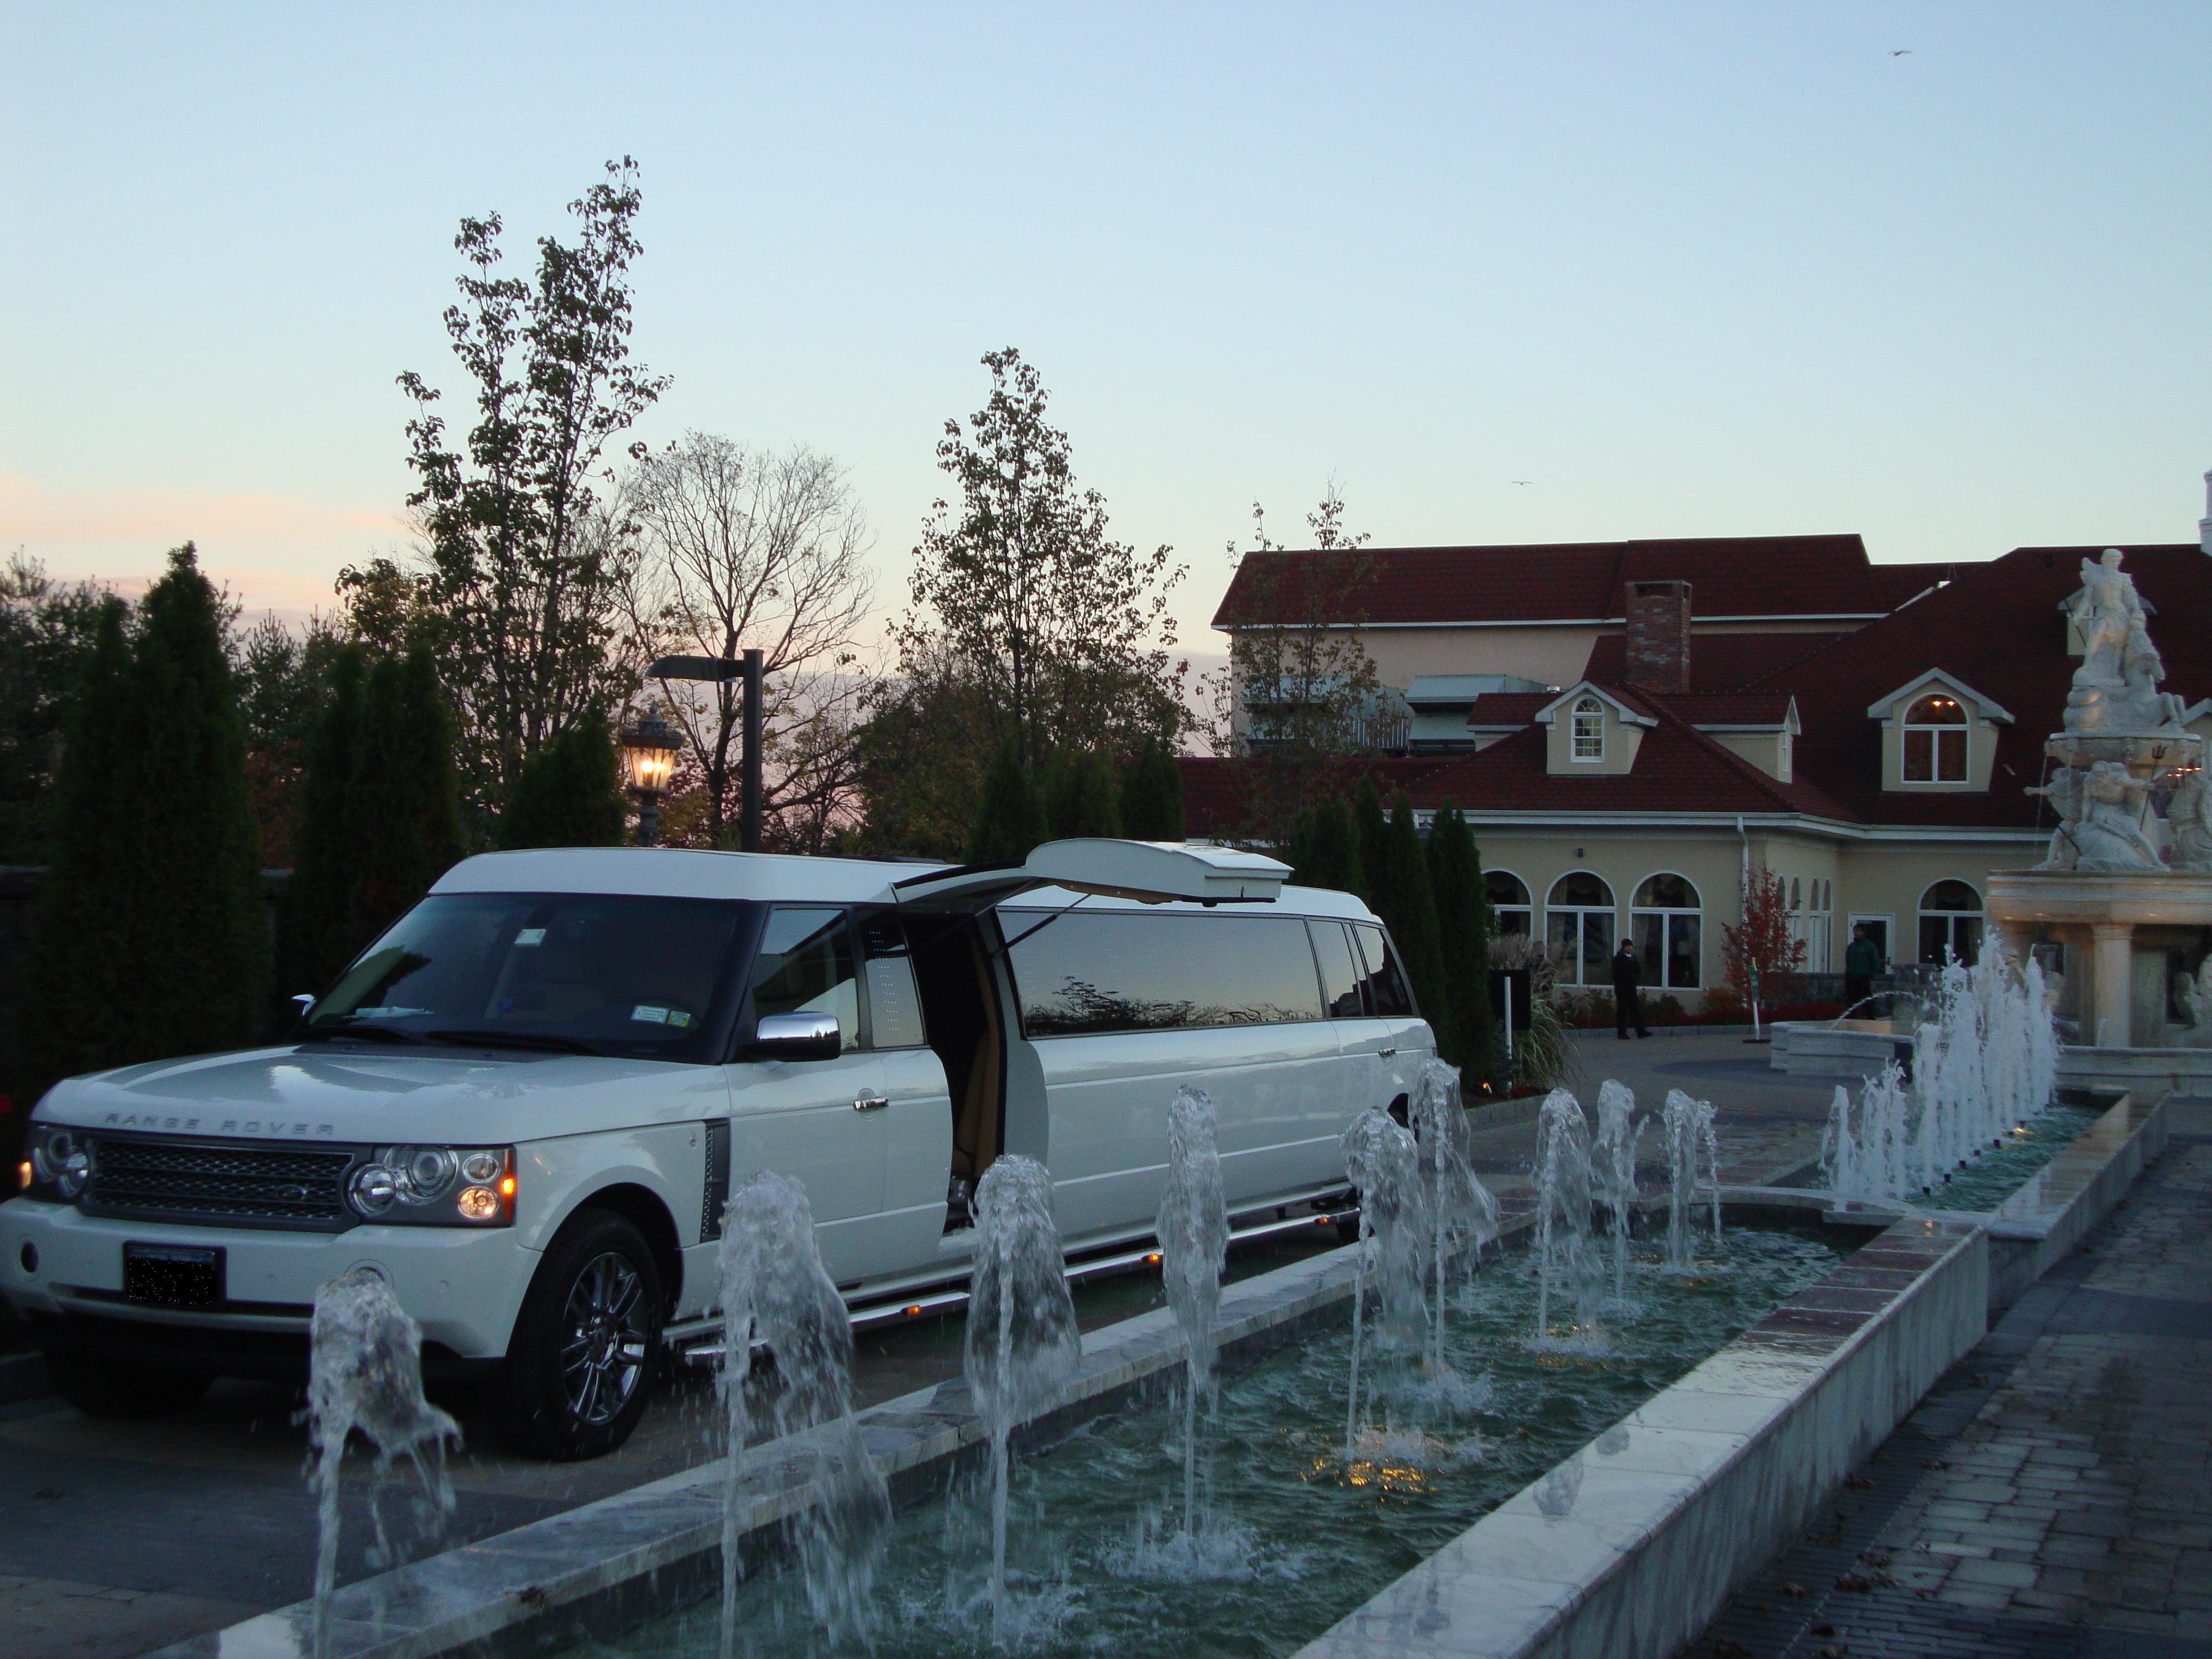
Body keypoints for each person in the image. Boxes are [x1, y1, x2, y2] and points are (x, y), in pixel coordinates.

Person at [1612, 937, 1649, 1039]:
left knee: (1635, 1010)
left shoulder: (1633, 958)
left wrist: (1636, 976)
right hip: (1622, 988)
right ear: (1623, 947)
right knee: (1622, 1011)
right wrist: (1629, 976)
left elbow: (1638, 970)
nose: (1629, 948)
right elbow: (1617, 974)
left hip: (1631, 988)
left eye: (1630, 946)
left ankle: (1640, 1031)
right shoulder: (1618, 959)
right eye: (1627, 946)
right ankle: (1622, 1032)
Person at [1845, 922, 1883, 1012]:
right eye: (1855, 931)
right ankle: (1851, 1020)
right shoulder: (1851, 947)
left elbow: (1876, 962)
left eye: (1859, 931)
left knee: (1866, 1000)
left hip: (1863, 977)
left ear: (1863, 932)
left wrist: (1871, 975)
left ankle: (1870, 1019)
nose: (1856, 933)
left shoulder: (1869, 946)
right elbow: (1848, 961)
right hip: (1851, 977)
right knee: (1850, 1001)